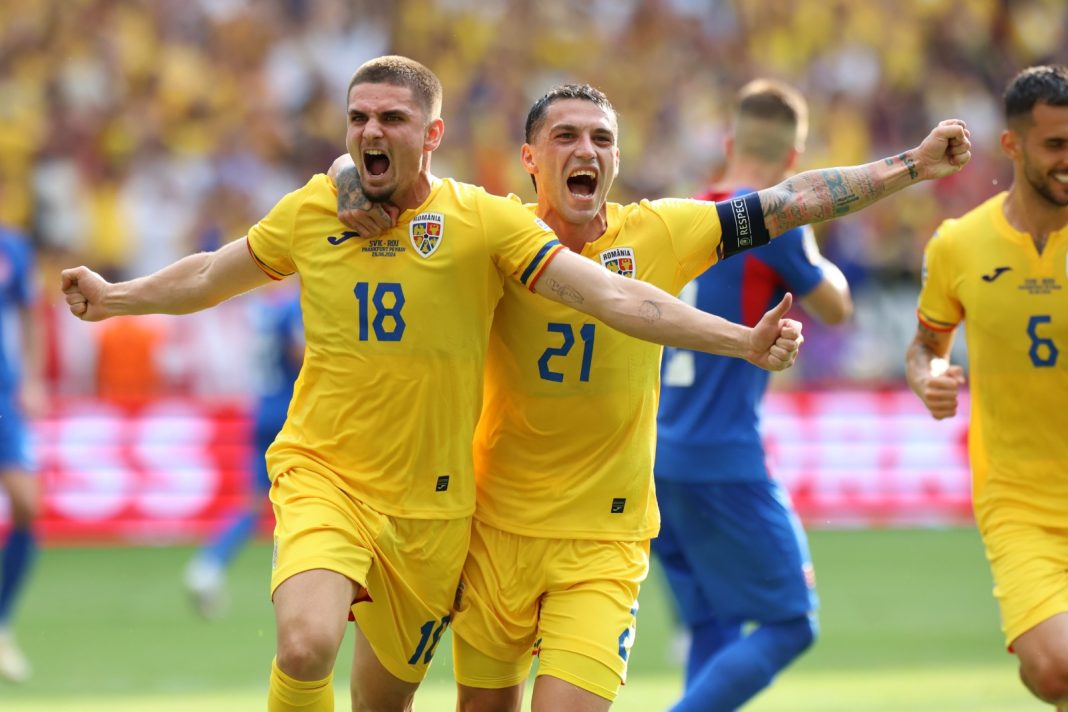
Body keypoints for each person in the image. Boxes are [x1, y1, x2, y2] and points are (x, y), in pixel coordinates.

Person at [60, 55, 804, 712]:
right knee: (306, 645)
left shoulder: (483, 223)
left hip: (434, 513)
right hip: (326, 472)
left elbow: (612, 295)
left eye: (391, 119)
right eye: (358, 119)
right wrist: (116, 296)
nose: (370, 132)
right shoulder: (314, 208)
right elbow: (210, 273)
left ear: (433, 134)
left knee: (382, 702)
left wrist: (741, 340)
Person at [332, 82, 970, 709]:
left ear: (616, 157)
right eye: (565, 136)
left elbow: (790, 200)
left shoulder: (660, 232)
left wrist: (913, 165)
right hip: (494, 532)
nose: (586, 149)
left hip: (605, 542)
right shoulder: (491, 232)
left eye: (601, 138)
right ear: (529, 157)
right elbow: (386, 170)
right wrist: (345, 177)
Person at [652, 79, 852, 712]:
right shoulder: (773, 221)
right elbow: (837, 307)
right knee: (793, 623)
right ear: (793, 159)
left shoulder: (681, 215)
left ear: (728, 143)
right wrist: (802, 226)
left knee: (711, 624)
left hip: (655, 459)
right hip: (723, 457)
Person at [906, 64, 1068, 709]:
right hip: (1018, 498)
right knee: (1054, 670)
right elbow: (925, 346)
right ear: (1013, 145)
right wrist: (929, 378)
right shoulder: (959, 244)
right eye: (1055, 144)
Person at [184, 281, 304, 619]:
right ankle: (306, 581)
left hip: (262, 408)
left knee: (253, 504)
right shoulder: (297, 306)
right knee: (310, 499)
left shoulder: (266, 309)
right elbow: (302, 355)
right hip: (291, 414)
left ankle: (208, 565)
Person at [0, 222, 43, 684]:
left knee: (28, 505)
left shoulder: (12, 247)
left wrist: (32, 378)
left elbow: (30, 314)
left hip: (3, 395)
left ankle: (2, 622)